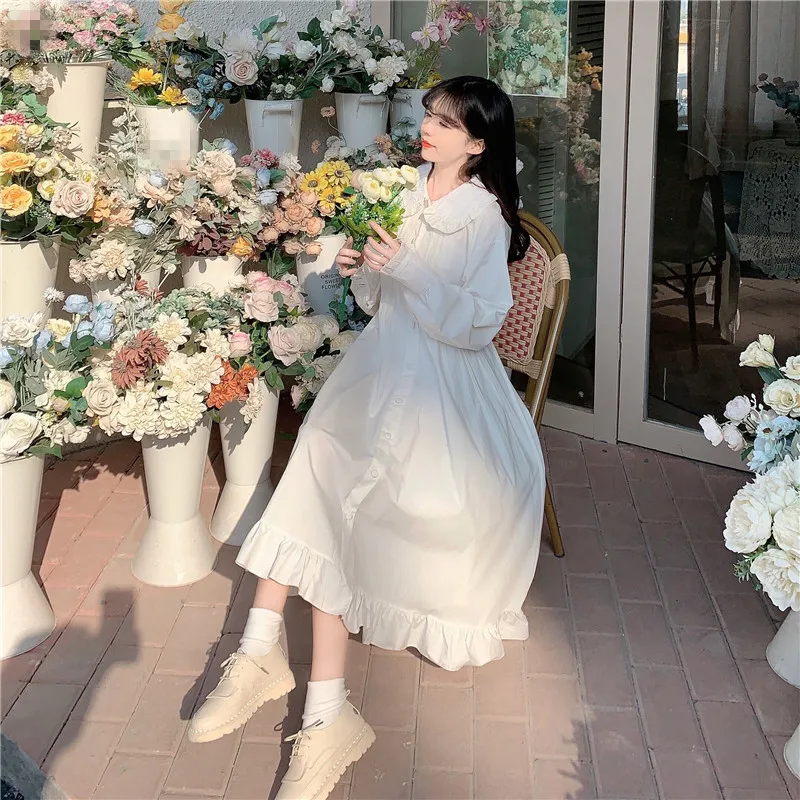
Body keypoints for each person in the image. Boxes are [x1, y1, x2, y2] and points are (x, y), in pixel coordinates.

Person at [188, 75, 546, 800]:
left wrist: (405, 267)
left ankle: (289, 678)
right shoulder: (406, 189)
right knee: (319, 468)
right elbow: (381, 300)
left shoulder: (483, 217)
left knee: (337, 490)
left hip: (444, 380)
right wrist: (365, 271)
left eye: (446, 123)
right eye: (430, 116)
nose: (428, 129)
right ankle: (269, 661)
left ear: (478, 143)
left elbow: (479, 322)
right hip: (384, 361)